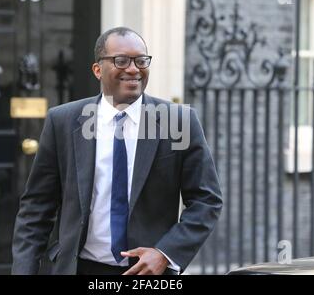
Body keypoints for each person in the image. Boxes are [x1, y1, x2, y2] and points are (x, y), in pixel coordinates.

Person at [12, 27, 222, 275]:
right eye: (121, 61)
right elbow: (36, 208)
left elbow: (206, 200)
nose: (133, 69)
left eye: (141, 60)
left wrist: (166, 253)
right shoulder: (63, 121)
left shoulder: (177, 121)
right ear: (98, 70)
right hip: (80, 268)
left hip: (148, 273)